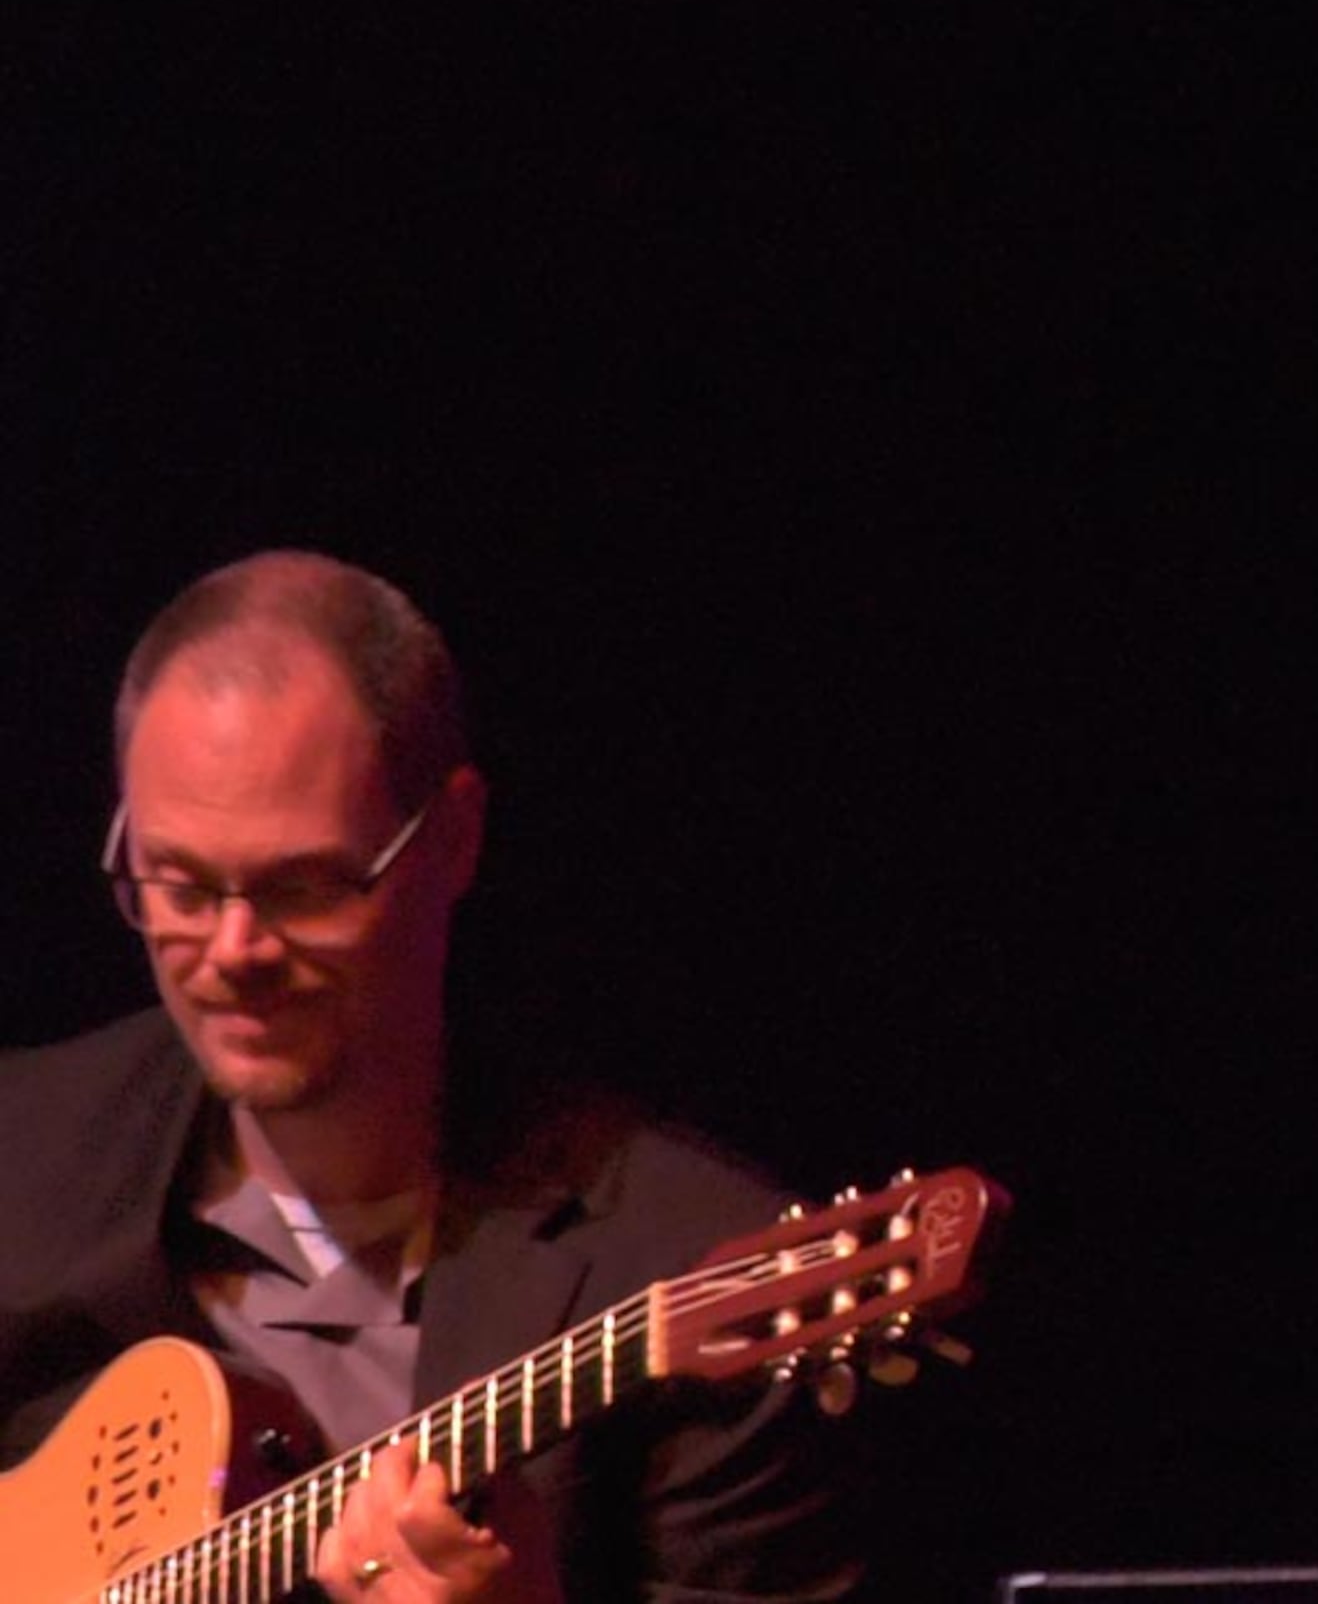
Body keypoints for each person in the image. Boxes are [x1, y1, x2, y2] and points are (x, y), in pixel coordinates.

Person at [0, 551, 862, 1601]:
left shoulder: (687, 1265)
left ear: (452, 839)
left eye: (305, 887)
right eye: (177, 886)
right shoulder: (25, 1148)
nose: (233, 951)